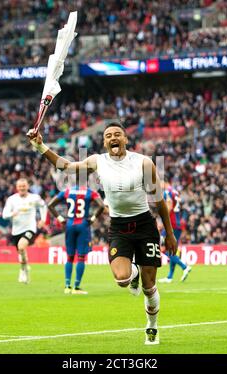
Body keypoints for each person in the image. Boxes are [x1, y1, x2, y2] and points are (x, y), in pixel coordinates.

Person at [27, 121, 177, 345]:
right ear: (104, 141)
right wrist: (40, 146)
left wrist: (170, 233)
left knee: (149, 287)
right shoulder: (97, 161)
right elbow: (66, 166)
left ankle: (152, 327)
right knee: (122, 279)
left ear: (126, 139)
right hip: (119, 227)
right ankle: (132, 274)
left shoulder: (143, 163)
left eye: (118, 134)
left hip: (145, 226)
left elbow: (160, 202)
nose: (113, 138)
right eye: (109, 135)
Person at [48, 183, 104, 294]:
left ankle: (67, 286)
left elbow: (50, 205)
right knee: (81, 257)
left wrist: (60, 218)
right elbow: (102, 206)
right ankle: (76, 287)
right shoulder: (90, 192)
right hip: (83, 225)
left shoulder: (67, 191)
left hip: (70, 224)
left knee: (69, 257)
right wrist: (93, 218)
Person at [2, 178, 47, 284]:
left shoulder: (34, 198)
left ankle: (23, 270)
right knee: (21, 252)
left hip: (30, 228)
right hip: (16, 230)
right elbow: (4, 215)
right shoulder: (12, 199)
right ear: (17, 188)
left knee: (22, 247)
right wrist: (11, 214)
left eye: (24, 186)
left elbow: (43, 206)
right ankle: (24, 268)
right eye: (20, 186)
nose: (22, 188)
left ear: (27, 186)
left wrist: (43, 219)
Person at [158, 180, 192, 283]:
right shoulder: (175, 192)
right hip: (177, 223)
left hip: (171, 225)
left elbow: (169, 206)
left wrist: (163, 221)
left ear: (164, 182)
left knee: (162, 247)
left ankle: (184, 266)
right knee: (170, 249)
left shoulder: (167, 192)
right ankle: (170, 277)